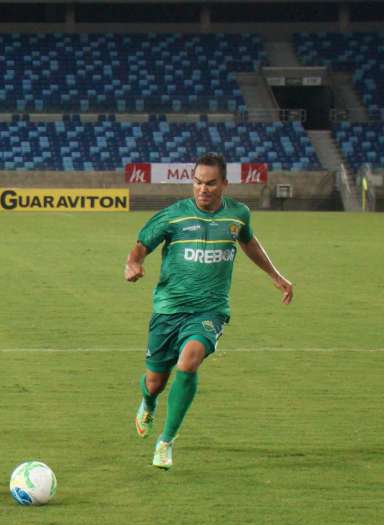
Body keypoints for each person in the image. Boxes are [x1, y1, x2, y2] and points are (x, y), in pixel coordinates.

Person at [124, 152, 294, 470]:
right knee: (155, 382)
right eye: (198, 182)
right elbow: (140, 245)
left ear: (225, 184)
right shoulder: (173, 216)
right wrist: (133, 263)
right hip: (168, 310)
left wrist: (276, 276)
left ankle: (166, 442)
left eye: (211, 183)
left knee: (189, 362)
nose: (203, 189)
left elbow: (249, 243)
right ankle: (148, 402)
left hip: (209, 310)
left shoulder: (238, 215)